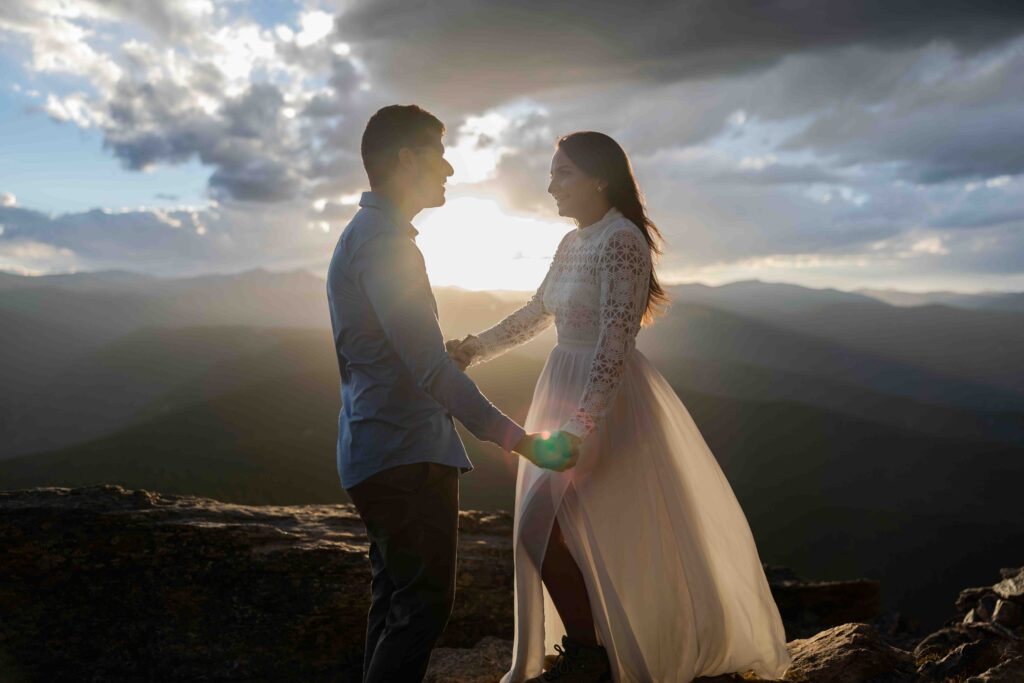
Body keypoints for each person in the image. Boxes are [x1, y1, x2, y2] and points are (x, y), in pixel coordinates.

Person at [447, 132, 793, 682]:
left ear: (599, 178)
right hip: (562, 383)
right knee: (550, 528)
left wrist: (581, 424)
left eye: (562, 173)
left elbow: (615, 340)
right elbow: (538, 311)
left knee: (583, 527)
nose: (551, 185)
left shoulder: (621, 240)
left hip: (604, 400)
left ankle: (598, 655)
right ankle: (592, 650)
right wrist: (472, 350)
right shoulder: (572, 243)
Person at [325, 104, 578, 683]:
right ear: (406, 159)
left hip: (372, 449)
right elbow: (431, 374)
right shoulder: (386, 245)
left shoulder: (365, 237)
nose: (449, 167)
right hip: (404, 453)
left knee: (394, 601)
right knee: (421, 607)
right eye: (438, 152)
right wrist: (524, 443)